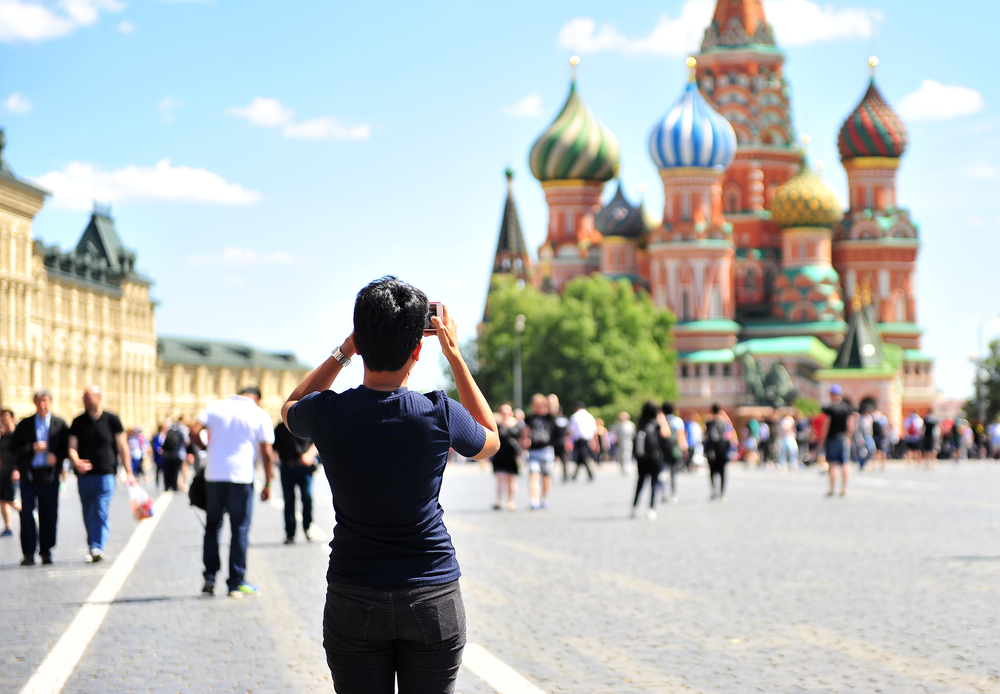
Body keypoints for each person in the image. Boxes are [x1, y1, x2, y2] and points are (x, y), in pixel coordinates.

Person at [282, 277, 499, 693]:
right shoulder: (438, 411)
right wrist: (454, 356)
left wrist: (345, 349)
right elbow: (489, 439)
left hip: (353, 588)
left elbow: (290, 406)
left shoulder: (330, 412)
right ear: (418, 349)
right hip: (432, 592)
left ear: (360, 342)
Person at [190, 386, 275, 598]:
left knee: (212, 526)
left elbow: (193, 430)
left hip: (214, 475)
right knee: (240, 530)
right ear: (257, 398)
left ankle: (209, 577)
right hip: (241, 477)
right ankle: (235, 582)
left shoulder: (215, 407)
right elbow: (266, 453)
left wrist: (206, 447)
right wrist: (268, 483)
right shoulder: (259, 413)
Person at [68, 386, 136, 563]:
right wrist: (76, 462)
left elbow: (122, 446)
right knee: (88, 511)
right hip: (84, 475)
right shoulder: (78, 421)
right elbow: (72, 446)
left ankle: (97, 545)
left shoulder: (112, 420)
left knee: (100, 508)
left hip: (106, 473)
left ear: (99, 397)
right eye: (84, 397)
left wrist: (129, 471)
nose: (86, 401)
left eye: (89, 397)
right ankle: (93, 544)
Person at [12, 391, 70, 565]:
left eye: (45, 401)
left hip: (49, 475)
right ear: (35, 403)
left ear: (50, 402)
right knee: (27, 513)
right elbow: (15, 448)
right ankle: (28, 553)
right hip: (29, 475)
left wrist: (56, 457)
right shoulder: (25, 424)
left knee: (49, 514)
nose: (42, 405)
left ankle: (46, 550)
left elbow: (67, 448)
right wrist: (32, 448)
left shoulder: (60, 424)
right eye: (39, 402)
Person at [274, 419, 319, 543]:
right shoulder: (281, 427)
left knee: (307, 498)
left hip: (304, 467)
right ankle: (290, 534)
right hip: (287, 467)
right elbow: (274, 447)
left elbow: (317, 442)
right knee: (288, 501)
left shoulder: (308, 424)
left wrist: (309, 455)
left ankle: (308, 527)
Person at [631, 402, 668, 520]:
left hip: (641, 458)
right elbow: (666, 434)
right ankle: (651, 509)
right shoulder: (656, 423)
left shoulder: (640, 423)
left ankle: (634, 507)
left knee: (640, 483)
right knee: (654, 483)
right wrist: (662, 419)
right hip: (654, 458)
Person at [820, 385, 854, 497]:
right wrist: (849, 437)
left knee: (833, 464)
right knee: (845, 463)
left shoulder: (830, 408)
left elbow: (826, 424)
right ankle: (844, 489)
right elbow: (850, 424)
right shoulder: (847, 408)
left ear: (832, 395)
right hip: (844, 438)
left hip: (832, 438)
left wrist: (823, 438)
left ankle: (831, 489)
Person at [522, 393, 556, 509]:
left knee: (547, 476)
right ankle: (534, 500)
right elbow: (526, 431)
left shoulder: (550, 417)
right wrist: (525, 442)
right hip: (534, 450)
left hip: (547, 450)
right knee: (534, 475)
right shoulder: (530, 417)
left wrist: (550, 399)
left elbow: (554, 403)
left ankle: (544, 499)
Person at [491, 403, 522, 511]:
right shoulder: (497, 425)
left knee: (511, 479)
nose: (505, 414)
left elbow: (522, 439)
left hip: (512, 455)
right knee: (500, 478)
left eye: (507, 412)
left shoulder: (518, 425)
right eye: (503, 412)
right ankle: (499, 501)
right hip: (499, 454)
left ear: (511, 412)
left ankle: (511, 501)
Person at [659, 402, 688, 505]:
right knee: (674, 474)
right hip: (675, 450)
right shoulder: (677, 421)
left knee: (663, 472)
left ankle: (663, 494)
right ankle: (673, 495)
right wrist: (684, 449)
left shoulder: (661, 420)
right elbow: (681, 436)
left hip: (662, 451)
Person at [705, 404, 733, 501]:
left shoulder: (709, 423)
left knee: (713, 472)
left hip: (712, 450)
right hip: (723, 449)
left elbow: (707, 437)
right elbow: (730, 432)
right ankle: (722, 493)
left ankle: (714, 491)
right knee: (723, 472)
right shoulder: (725, 423)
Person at [568, 402, 598, 482]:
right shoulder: (590, 416)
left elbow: (570, 430)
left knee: (584, 457)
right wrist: (595, 442)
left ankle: (590, 474)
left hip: (580, 440)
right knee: (580, 458)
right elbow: (594, 431)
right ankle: (575, 475)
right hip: (588, 439)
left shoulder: (575, 416)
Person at [0, 409, 18, 537]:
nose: (4, 420)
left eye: (6, 417)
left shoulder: (16, 435)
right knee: (2, 499)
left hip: (12, 471)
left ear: (11, 418)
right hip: (3, 471)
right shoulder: (3, 436)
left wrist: (17, 469)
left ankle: (30, 514)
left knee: (10, 499)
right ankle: (8, 527)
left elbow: (19, 453)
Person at [160, 419, 190, 492]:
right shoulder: (180, 433)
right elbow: (186, 442)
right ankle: (174, 485)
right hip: (177, 455)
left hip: (168, 455)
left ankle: (167, 485)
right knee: (175, 471)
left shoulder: (168, 433)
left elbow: (164, 444)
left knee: (167, 471)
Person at [548, 395, 570, 483]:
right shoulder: (565, 419)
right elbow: (568, 431)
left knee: (552, 460)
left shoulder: (554, 419)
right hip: (563, 440)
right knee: (564, 460)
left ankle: (550, 475)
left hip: (554, 440)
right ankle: (565, 475)